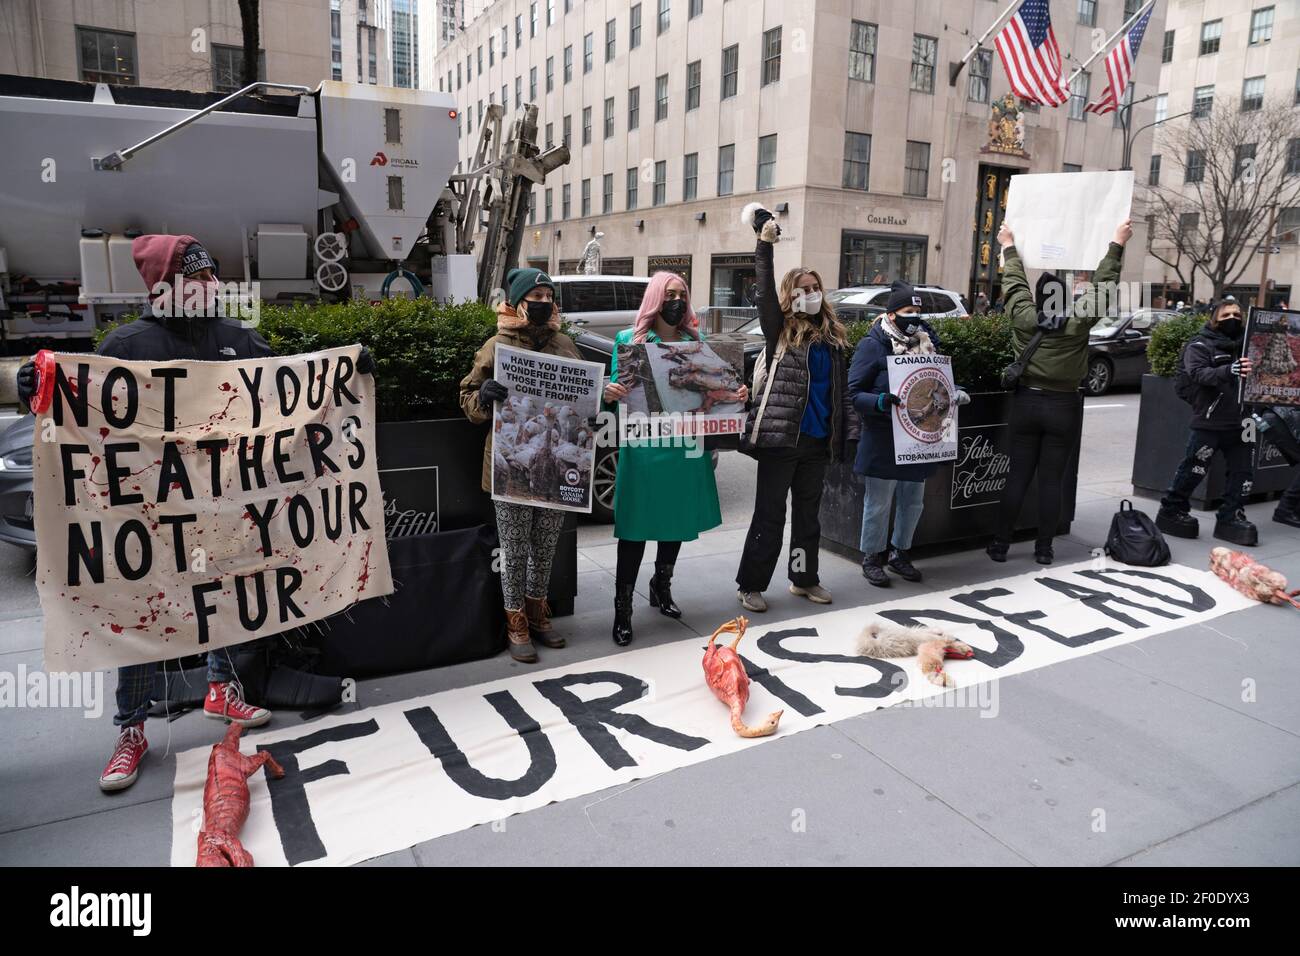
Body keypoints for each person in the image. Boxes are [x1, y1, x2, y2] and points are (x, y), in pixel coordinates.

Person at [14, 234, 354, 792]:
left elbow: (287, 386)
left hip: (216, 511)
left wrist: (343, 373)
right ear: (164, 287)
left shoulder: (236, 339)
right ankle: (130, 727)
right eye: (196, 278)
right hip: (148, 519)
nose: (210, 288)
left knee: (214, 594)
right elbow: (83, 402)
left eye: (210, 277)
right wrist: (34, 384)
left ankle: (223, 688)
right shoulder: (127, 344)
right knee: (145, 613)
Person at [602, 272, 744, 645]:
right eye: (669, 294)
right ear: (655, 299)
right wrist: (610, 391)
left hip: (684, 446)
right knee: (635, 526)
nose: (676, 300)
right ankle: (622, 608)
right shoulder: (628, 341)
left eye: (682, 293)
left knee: (676, 521)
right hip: (644, 448)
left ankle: (661, 586)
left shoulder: (693, 341)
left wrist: (736, 392)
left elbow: (715, 391)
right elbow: (617, 389)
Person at [987, 218, 1132, 564]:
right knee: (1052, 480)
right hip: (1064, 406)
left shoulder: (1023, 316)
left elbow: (1015, 284)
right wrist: (1116, 244)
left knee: (1017, 476)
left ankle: (1000, 545)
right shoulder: (1078, 321)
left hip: (1027, 401)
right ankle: (1044, 549)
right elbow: (1103, 288)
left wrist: (1008, 245)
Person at [735, 205, 857, 611]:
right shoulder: (780, 331)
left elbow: (842, 395)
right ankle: (751, 584)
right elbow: (764, 292)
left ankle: (803, 579)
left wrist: (846, 436)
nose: (810, 294)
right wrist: (764, 245)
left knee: (808, 519)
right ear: (791, 295)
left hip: (817, 442)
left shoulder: (834, 340)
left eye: (814, 287)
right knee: (769, 518)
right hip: (781, 440)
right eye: (802, 289)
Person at [459, 268, 582, 663]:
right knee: (513, 549)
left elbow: (582, 396)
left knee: (545, 547)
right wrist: (483, 396)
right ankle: (516, 622)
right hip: (508, 467)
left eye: (549, 296)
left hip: (552, 467)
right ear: (518, 302)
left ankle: (537, 611)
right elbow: (467, 397)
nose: (544, 303)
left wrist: (592, 414)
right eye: (536, 296)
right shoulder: (497, 345)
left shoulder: (564, 344)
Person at [849, 282, 968, 586]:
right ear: (890, 314)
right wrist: (877, 402)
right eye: (907, 311)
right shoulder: (872, 345)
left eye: (918, 311)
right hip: (883, 439)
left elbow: (934, 383)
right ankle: (872, 557)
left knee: (913, 502)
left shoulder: (928, 344)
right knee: (879, 502)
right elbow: (854, 393)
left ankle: (900, 554)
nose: (914, 317)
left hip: (919, 438)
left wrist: (954, 393)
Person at [1154, 298, 1259, 545]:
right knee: (1195, 467)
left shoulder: (1250, 345)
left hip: (1245, 420)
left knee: (1244, 471)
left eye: (1236, 314)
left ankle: (1231, 515)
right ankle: (1172, 509)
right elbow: (1198, 373)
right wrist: (1227, 370)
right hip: (1211, 418)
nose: (1232, 319)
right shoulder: (1200, 344)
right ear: (1214, 319)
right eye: (1225, 316)